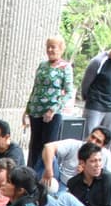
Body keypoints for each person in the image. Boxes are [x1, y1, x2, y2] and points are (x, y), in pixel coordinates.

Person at [46, 141, 111, 206]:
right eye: (93, 161)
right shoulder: (74, 182)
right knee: (47, 199)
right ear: (82, 163)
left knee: (65, 197)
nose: (98, 165)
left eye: (99, 160)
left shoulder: (108, 179)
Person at [26, 36, 75, 174]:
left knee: (47, 146)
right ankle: (29, 175)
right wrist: (27, 109)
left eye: (53, 47)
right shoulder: (42, 65)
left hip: (52, 113)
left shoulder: (65, 67)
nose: (50, 50)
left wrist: (53, 109)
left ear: (61, 49)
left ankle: (44, 175)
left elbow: (68, 92)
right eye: (48, 46)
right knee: (34, 145)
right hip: (36, 110)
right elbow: (35, 88)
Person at [40, 127, 111, 189]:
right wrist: (49, 170)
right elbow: (48, 147)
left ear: (103, 146)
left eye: (98, 141)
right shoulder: (75, 144)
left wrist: (86, 174)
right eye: (92, 137)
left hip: (81, 189)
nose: (92, 141)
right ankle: (36, 188)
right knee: (48, 155)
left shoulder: (105, 156)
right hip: (61, 179)